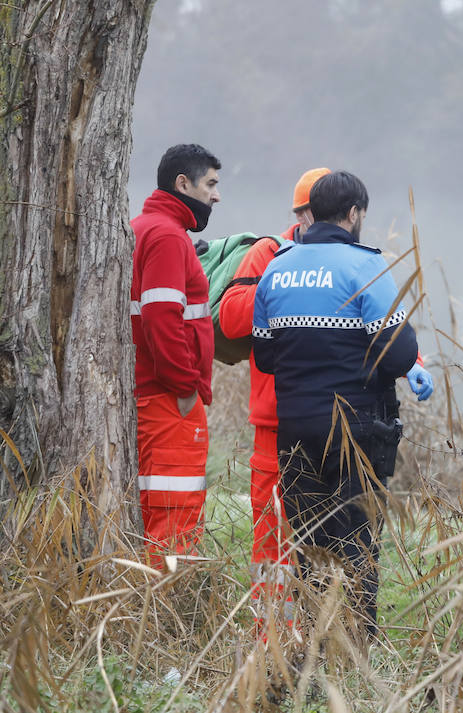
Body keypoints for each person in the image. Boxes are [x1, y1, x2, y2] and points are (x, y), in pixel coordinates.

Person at [251, 171, 434, 641]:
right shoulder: (363, 266)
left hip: (295, 428)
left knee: (309, 538)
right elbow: (396, 352)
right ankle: (356, 645)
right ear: (353, 214)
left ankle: (313, 636)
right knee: (356, 534)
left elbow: (266, 355)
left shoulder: (278, 266)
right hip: (357, 427)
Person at [219, 167, 330, 632]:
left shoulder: (348, 260)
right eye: (313, 214)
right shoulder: (270, 252)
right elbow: (230, 320)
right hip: (275, 425)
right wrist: (285, 279)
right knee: (272, 535)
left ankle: (322, 631)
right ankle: (271, 635)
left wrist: (415, 362)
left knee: (328, 533)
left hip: (333, 423)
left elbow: (381, 323)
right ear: (300, 214)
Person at [130, 143, 221, 569]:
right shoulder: (167, 236)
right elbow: (162, 317)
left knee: (154, 509)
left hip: (151, 394)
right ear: (182, 184)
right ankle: (169, 618)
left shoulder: (144, 227)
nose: (215, 196)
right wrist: (186, 387)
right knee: (174, 515)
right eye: (211, 184)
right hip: (168, 401)